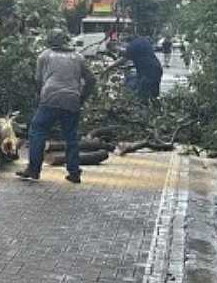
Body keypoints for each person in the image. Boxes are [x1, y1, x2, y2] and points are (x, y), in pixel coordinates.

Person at [16, 28, 96, 184]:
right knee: (71, 136)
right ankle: (74, 172)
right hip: (72, 99)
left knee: (37, 131)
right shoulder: (78, 57)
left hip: (50, 98)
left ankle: (34, 169)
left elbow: (38, 81)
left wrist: (41, 96)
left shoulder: (45, 55)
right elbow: (91, 79)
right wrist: (82, 98)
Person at [105, 34, 163, 100]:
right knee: (154, 93)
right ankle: (155, 106)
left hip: (148, 73)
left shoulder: (132, 46)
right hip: (157, 68)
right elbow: (136, 55)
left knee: (144, 95)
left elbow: (124, 59)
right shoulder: (143, 40)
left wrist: (109, 67)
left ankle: (145, 106)